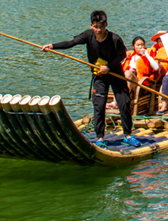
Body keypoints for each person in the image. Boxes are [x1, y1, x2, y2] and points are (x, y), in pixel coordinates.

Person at [42, 10, 139, 147]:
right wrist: (52, 46)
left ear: (106, 24)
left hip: (115, 73)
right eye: (95, 27)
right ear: (91, 25)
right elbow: (71, 43)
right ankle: (100, 138)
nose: (98, 30)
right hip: (99, 75)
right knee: (99, 106)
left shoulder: (114, 39)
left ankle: (128, 135)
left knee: (124, 103)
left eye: (101, 27)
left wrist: (109, 67)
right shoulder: (88, 35)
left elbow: (122, 55)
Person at [123, 37, 160, 116]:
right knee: (124, 75)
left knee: (128, 73)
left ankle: (124, 100)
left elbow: (156, 68)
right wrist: (123, 55)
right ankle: (119, 101)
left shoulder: (147, 56)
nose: (140, 47)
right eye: (138, 45)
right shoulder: (130, 56)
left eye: (142, 45)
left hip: (140, 84)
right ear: (133, 46)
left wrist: (147, 55)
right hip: (127, 82)